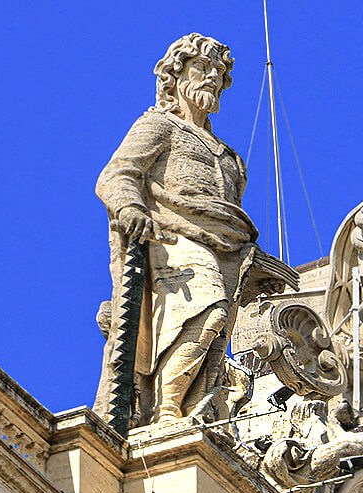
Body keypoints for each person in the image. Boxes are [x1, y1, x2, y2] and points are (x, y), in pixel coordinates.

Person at [94, 33, 263, 426]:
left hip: (228, 246)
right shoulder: (159, 125)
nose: (211, 78)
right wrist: (131, 207)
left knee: (216, 334)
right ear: (176, 75)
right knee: (209, 309)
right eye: (201, 68)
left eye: (219, 72)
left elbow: (230, 216)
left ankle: (186, 406)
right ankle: (165, 407)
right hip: (173, 237)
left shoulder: (231, 159)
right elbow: (116, 175)